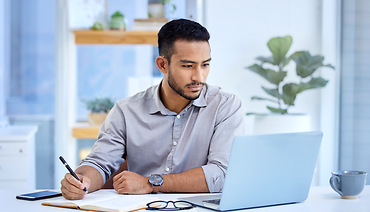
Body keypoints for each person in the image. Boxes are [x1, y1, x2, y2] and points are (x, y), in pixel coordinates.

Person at [60, 18, 244, 200]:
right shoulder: (126, 111)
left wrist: (151, 183)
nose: (199, 76)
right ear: (162, 65)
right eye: (188, 66)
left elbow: (222, 173)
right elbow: (99, 162)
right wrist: (82, 181)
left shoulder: (225, 106)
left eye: (205, 64)